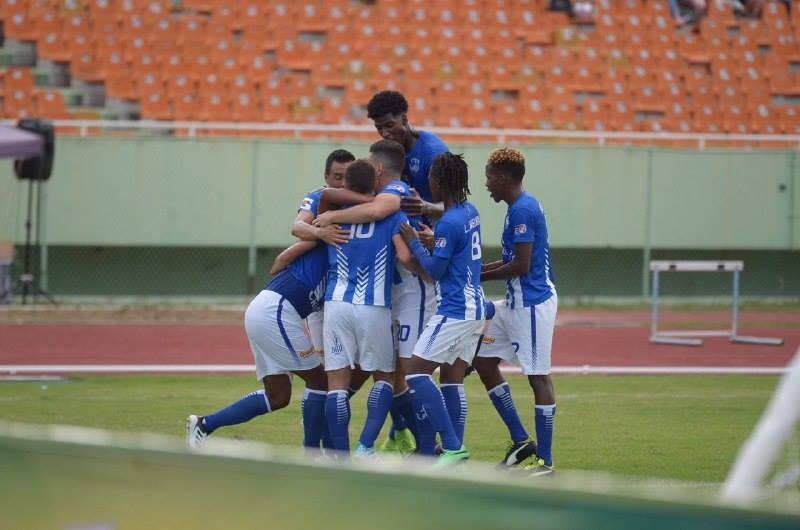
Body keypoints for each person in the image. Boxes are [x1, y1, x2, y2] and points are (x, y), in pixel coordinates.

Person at [314, 139, 438, 456]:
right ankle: (365, 446)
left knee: (337, 384)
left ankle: (340, 456)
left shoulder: (335, 213)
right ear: (376, 179)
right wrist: (429, 273)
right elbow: (405, 257)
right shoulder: (391, 216)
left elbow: (320, 207)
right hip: (374, 306)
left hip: (336, 304)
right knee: (384, 378)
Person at [399, 152, 486, 467]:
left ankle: (452, 447)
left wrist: (415, 242)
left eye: (431, 178)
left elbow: (435, 270)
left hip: (455, 309)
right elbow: (453, 240)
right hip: (475, 307)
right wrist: (432, 232)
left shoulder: (448, 223)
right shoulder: (469, 211)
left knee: (415, 373)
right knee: (450, 380)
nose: (429, 183)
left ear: (438, 182)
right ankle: (455, 454)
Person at [477, 147, 558, 476]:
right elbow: (512, 260)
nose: (486, 184)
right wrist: (476, 270)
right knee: (482, 360)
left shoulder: (523, 209)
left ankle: (546, 463)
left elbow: (521, 266)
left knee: (539, 378)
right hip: (514, 303)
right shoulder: (518, 207)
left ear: (501, 178)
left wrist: (479, 275)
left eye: (488, 178)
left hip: (532, 304)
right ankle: (522, 440)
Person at [366, 90, 448, 221]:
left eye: (389, 125)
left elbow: (456, 205)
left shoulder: (434, 153)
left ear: (404, 119)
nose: (384, 133)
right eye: (379, 128)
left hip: (432, 230)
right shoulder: (387, 151)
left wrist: (426, 207)